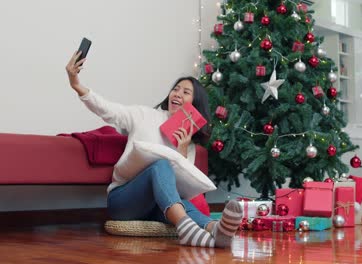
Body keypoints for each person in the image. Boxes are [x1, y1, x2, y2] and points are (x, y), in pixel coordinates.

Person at [65, 51, 242, 248]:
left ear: (195, 104)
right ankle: (186, 228)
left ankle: (215, 230)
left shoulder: (188, 143)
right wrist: (76, 84)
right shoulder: (144, 115)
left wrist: (182, 151)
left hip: (157, 207)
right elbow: (108, 110)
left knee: (183, 203)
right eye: (176, 89)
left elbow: (181, 189)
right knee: (160, 164)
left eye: (185, 92)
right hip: (123, 202)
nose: (177, 94)